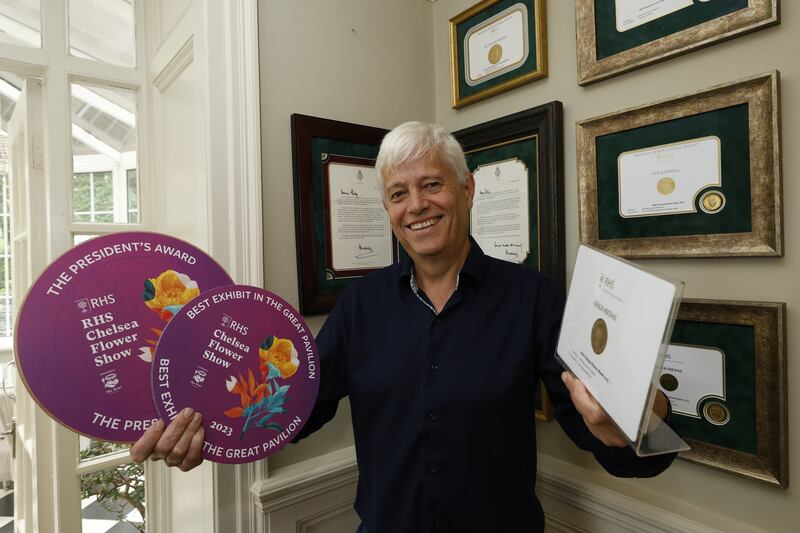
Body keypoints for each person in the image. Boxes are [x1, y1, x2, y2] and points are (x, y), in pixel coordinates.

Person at [132, 121, 675, 532]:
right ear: (388, 208)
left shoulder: (532, 296)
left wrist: (634, 422)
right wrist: (211, 431)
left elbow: (594, 427)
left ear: (467, 190)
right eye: (398, 193)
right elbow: (300, 405)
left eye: (432, 184)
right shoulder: (360, 304)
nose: (417, 205)